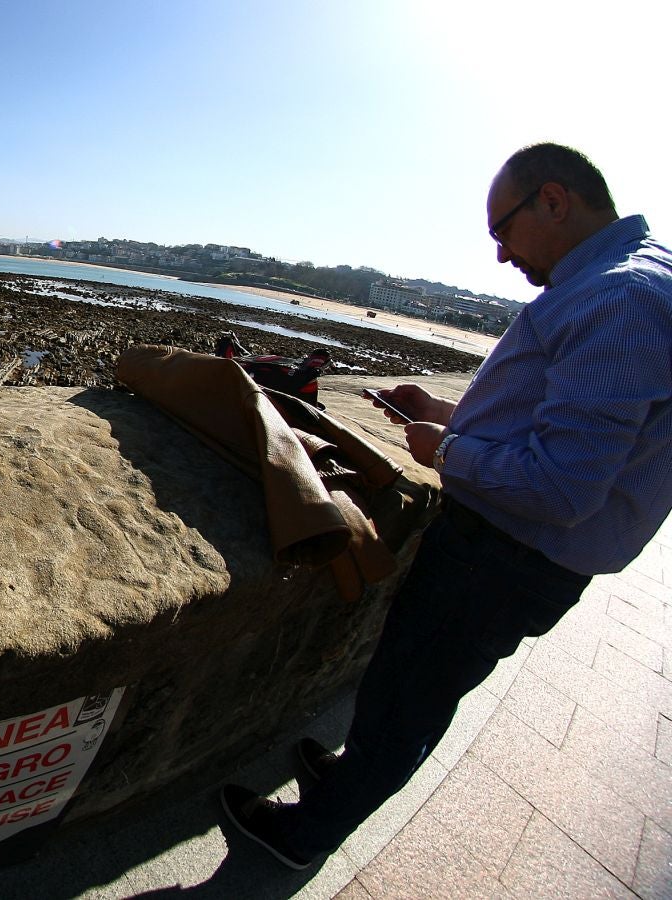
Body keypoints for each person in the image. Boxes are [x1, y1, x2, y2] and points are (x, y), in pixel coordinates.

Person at [220, 143, 672, 870]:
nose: (500, 255)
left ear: (554, 201)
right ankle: (345, 778)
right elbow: (557, 421)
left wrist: (445, 451)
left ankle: (304, 838)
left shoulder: (620, 297)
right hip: (515, 555)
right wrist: (447, 412)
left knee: (409, 701)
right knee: (406, 685)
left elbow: (562, 486)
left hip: (505, 558)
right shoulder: (637, 279)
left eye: (503, 230)